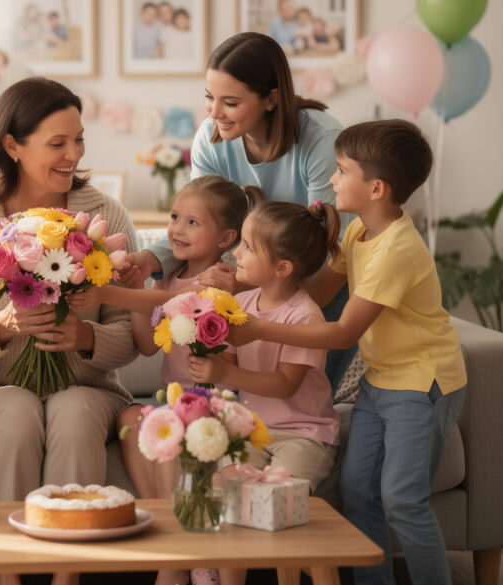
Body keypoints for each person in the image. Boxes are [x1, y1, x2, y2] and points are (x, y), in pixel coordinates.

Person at [228, 120, 468, 585]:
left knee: (403, 499)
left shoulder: (395, 251)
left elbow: (341, 333)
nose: (332, 179)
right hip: (381, 382)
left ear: (375, 187)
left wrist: (259, 326)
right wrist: (251, 290)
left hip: (422, 385)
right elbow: (312, 296)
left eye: (340, 171)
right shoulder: (360, 231)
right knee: (358, 492)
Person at [0, 76, 139, 585]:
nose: (73, 154)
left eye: (79, 139)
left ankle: (68, 576)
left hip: (88, 386)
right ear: (12, 146)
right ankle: (7, 575)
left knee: (71, 409)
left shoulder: (105, 216)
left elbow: (131, 337)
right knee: (17, 410)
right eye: (58, 143)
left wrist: (85, 339)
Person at [123, 31, 354, 388]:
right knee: (250, 395)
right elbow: (200, 224)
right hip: (258, 283)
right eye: (209, 98)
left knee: (304, 392)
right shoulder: (211, 141)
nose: (215, 113)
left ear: (271, 99)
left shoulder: (321, 141)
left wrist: (284, 313)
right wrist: (152, 260)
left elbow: (339, 249)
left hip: (321, 280)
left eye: (230, 102)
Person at [70, 175, 259, 585]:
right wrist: (140, 287)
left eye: (193, 222)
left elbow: (176, 306)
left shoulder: (225, 281)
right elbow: (147, 344)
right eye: (175, 217)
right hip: (175, 401)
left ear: (227, 237)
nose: (176, 229)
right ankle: (184, 537)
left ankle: (177, 557)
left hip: (217, 404)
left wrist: (118, 294)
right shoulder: (166, 279)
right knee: (132, 419)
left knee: (175, 434)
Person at [187, 200, 342, 585]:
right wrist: (206, 347)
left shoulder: (304, 316)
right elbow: (230, 363)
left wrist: (225, 370)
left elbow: (285, 384)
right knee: (228, 488)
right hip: (254, 429)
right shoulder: (240, 303)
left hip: (304, 433)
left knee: (274, 503)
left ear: (283, 268)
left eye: (248, 247)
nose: (235, 253)